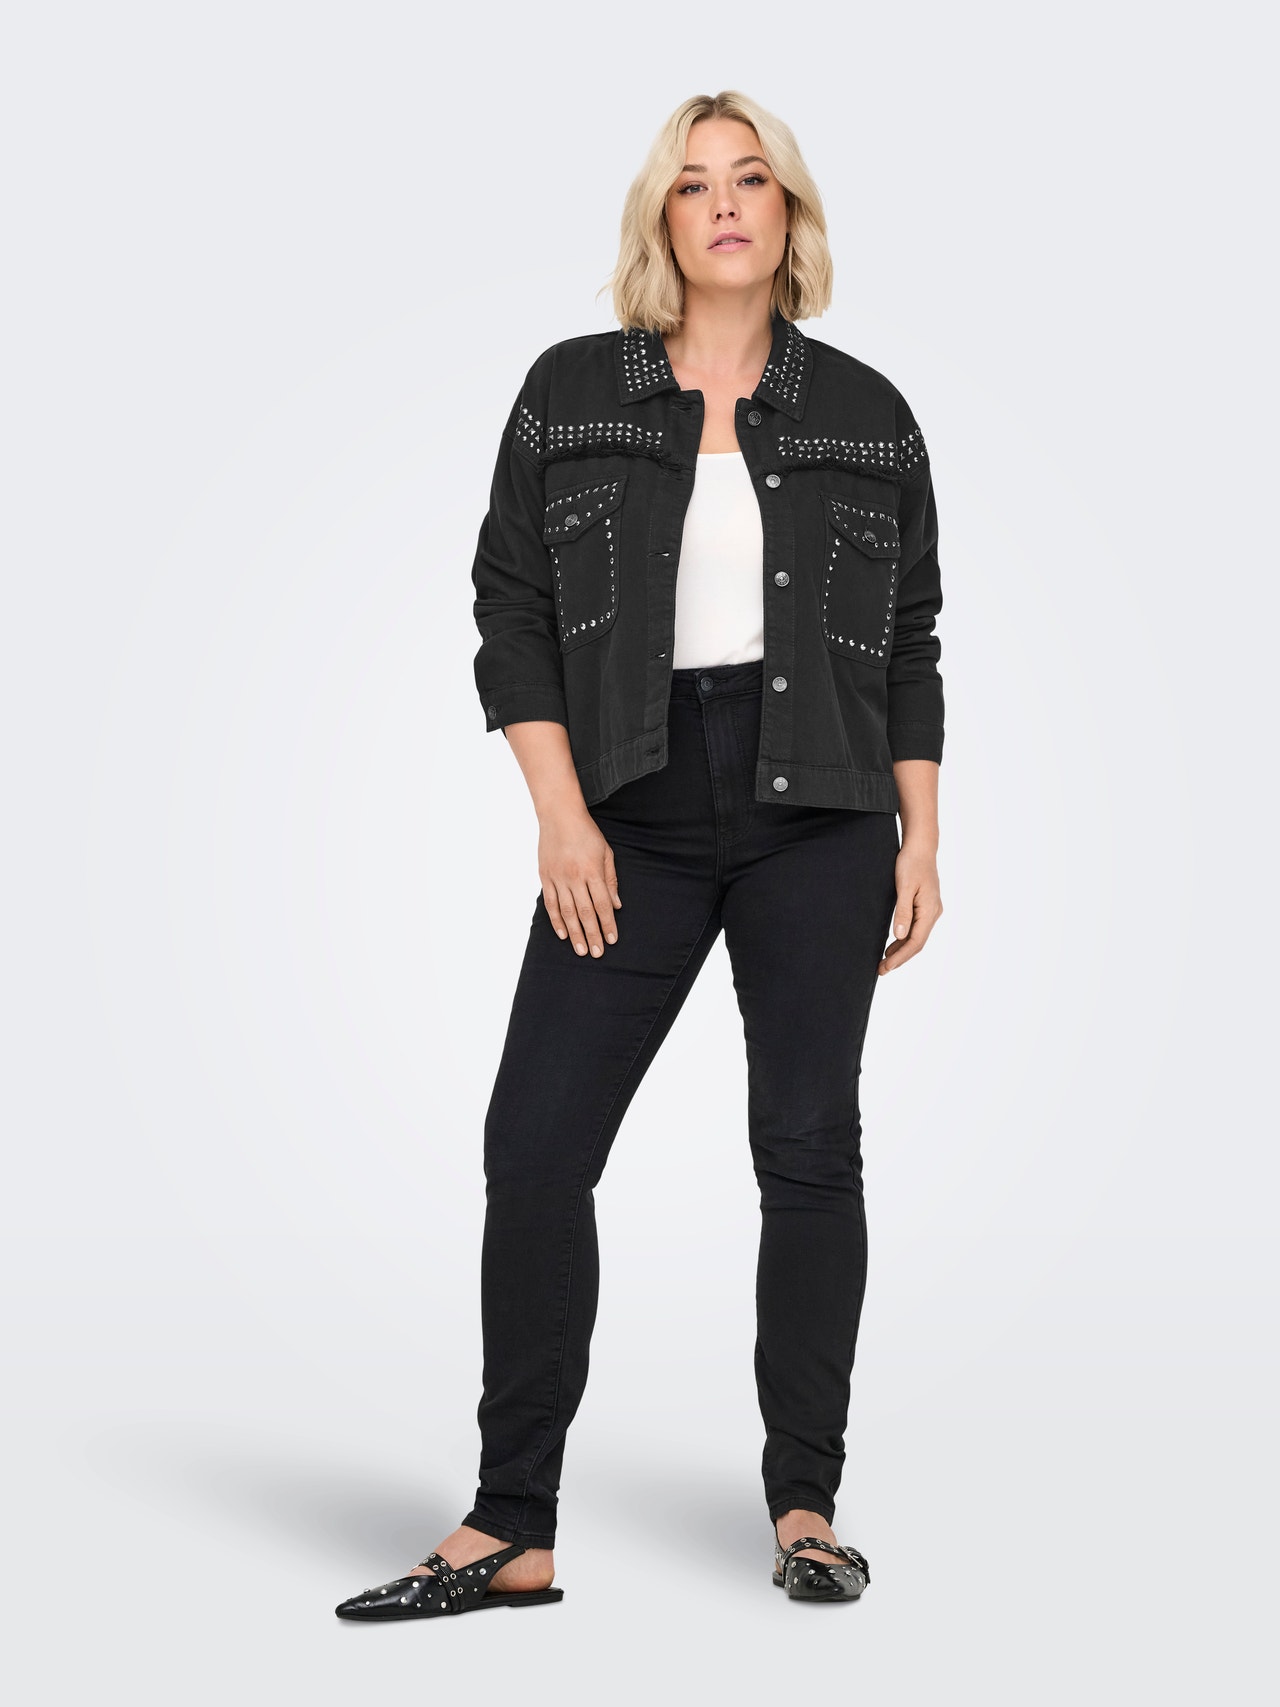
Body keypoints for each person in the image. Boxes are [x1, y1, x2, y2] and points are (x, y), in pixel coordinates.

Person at [335, 87, 944, 1622]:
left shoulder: (867, 409)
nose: (724, 203)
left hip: (824, 814)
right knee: (536, 1144)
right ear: (660, 219)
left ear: (790, 212)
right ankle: (512, 1525)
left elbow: (911, 640)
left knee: (807, 1147)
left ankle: (807, 1508)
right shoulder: (574, 389)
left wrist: (922, 832)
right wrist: (561, 813)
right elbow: (512, 607)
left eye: (751, 179)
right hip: (635, 806)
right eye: (692, 184)